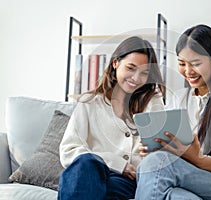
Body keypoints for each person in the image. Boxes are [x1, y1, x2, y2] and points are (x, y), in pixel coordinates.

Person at [135, 25, 211, 200]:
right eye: (181, 63)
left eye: (196, 63)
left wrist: (199, 159)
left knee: (156, 164)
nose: (188, 71)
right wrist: (152, 148)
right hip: (193, 179)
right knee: (173, 191)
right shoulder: (180, 98)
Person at [58, 36, 165, 200]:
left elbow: (159, 152)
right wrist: (117, 164)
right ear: (115, 63)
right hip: (91, 173)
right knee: (86, 164)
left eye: (144, 73)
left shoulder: (152, 101)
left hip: (128, 183)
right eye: (131, 68)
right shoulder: (89, 102)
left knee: (95, 188)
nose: (136, 78)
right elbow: (70, 150)